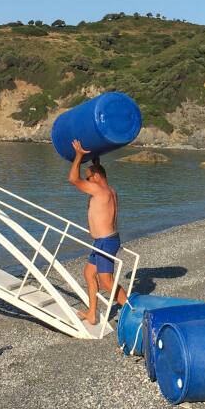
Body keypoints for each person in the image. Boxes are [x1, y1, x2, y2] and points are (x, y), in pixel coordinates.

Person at [68, 139, 128, 325]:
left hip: (106, 242)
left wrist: (79, 156)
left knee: (106, 282)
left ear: (95, 177)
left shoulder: (98, 190)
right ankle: (92, 313)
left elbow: (72, 179)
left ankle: (133, 311)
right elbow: (97, 173)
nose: (86, 181)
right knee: (88, 273)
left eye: (88, 177)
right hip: (104, 241)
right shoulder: (110, 190)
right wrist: (95, 161)